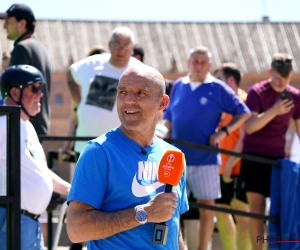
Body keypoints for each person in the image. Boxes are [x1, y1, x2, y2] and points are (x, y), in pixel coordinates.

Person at [66, 64, 188, 249]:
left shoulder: (174, 156)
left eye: (140, 93)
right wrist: (145, 213)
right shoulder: (98, 153)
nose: (128, 100)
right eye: (122, 92)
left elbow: (174, 225)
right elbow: (76, 230)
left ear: (162, 103)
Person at [164, 46, 250, 250]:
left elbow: (243, 113)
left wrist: (223, 133)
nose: (198, 66)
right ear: (188, 62)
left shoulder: (218, 88)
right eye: (195, 61)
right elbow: (169, 120)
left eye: (203, 62)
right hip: (177, 159)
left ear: (209, 65)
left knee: (207, 209)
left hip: (206, 160)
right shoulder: (178, 85)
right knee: (169, 207)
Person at [0, 65, 71, 249]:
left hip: (30, 222)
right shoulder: (3, 124)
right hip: (13, 221)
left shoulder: (26, 125)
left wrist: (72, 190)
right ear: (15, 93)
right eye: (34, 88)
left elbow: (41, 171)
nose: (41, 94)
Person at [238, 52, 300, 250]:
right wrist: (274, 111)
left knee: (281, 211)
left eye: (286, 78)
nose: (282, 83)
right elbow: (249, 127)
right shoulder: (257, 91)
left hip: (278, 161)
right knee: (256, 211)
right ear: (269, 72)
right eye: (278, 78)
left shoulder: (296, 97)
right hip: (254, 157)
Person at [67, 26, 140, 155]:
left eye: (126, 45)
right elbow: (70, 74)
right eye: (117, 44)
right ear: (110, 45)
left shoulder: (140, 71)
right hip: (86, 143)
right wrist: (77, 102)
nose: (121, 50)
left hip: (121, 146)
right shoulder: (92, 63)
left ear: (132, 49)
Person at [214, 62, 251, 250]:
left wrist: (230, 165)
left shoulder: (244, 101)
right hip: (220, 168)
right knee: (221, 213)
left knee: (243, 219)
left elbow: (245, 139)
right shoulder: (222, 104)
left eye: (219, 79)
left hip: (237, 169)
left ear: (230, 80)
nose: (214, 83)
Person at [0, 3, 52, 137]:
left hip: (23, 126)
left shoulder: (23, 48)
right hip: (38, 124)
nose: (4, 26)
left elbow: (13, 93)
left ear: (22, 24)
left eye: (8, 21)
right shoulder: (40, 47)